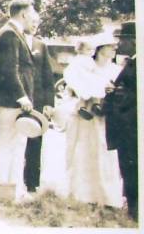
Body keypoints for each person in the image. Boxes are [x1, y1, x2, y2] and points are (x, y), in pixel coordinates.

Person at [64, 33, 124, 208]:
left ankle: (107, 198)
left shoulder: (116, 70)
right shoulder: (83, 67)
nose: (114, 49)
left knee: (106, 154)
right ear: (99, 48)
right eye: (110, 46)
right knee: (85, 151)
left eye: (114, 46)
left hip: (106, 118)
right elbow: (75, 83)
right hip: (86, 118)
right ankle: (83, 195)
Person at [0, 0, 38, 200]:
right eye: (32, 12)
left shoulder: (14, 33)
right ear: (24, 13)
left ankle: (14, 189)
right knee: (8, 144)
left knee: (17, 145)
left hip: (15, 101)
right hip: (12, 101)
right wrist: (21, 96)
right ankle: (1, 190)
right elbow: (10, 70)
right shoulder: (9, 34)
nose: (34, 17)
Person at [104, 21, 138, 220]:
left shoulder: (136, 62)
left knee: (130, 167)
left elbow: (133, 95)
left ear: (133, 41)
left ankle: (134, 210)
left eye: (122, 40)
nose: (119, 45)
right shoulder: (132, 61)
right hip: (129, 124)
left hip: (130, 125)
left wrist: (114, 92)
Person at [23, 13, 56, 193]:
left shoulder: (41, 45)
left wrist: (49, 103)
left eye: (37, 22)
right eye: (31, 21)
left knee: (35, 141)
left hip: (37, 101)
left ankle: (31, 183)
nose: (34, 25)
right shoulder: (13, 41)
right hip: (18, 100)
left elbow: (48, 77)